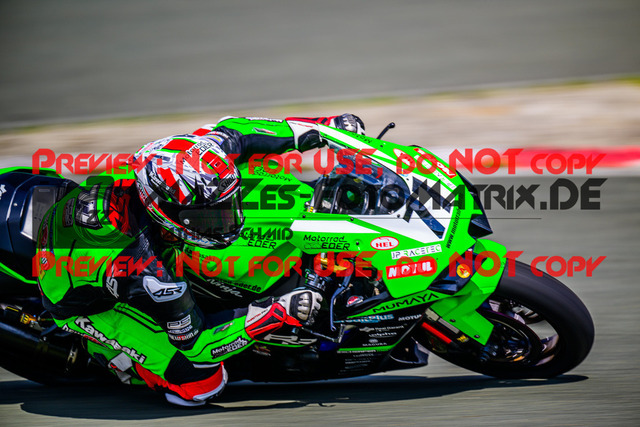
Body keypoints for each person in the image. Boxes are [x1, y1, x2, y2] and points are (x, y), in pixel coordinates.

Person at [35, 114, 365, 406]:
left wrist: (326, 128)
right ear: (167, 213)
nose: (228, 220)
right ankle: (115, 356)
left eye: (225, 208)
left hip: (82, 228)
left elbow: (240, 131)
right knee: (201, 382)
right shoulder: (151, 273)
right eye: (212, 216)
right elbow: (198, 344)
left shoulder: (184, 156)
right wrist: (275, 311)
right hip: (77, 296)